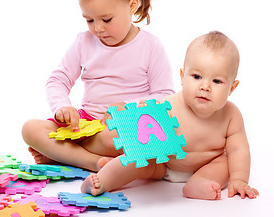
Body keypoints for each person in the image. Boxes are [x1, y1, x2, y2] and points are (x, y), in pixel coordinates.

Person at [81, 31, 259, 200]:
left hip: (205, 165)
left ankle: (198, 183)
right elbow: (145, 124)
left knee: (226, 162)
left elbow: (239, 149)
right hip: (164, 164)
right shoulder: (169, 104)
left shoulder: (231, 115)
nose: (205, 86)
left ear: (232, 88)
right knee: (135, 158)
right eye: (196, 76)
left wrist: (239, 180)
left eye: (217, 81)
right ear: (182, 76)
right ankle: (102, 181)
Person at [22, 0, 174, 172]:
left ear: (132, 6)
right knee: (30, 129)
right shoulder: (82, 42)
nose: (98, 28)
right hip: (86, 124)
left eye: (107, 19)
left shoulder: (151, 45)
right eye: (89, 20)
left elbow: (165, 96)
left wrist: (129, 109)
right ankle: (94, 162)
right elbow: (58, 80)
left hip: (125, 126)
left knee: (115, 138)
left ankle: (67, 154)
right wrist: (63, 107)